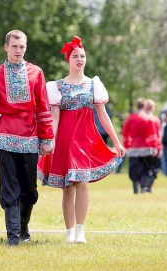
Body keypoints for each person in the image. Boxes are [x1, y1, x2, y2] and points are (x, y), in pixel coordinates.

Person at [37, 36, 124, 244]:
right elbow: (54, 117)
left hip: (85, 139)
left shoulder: (93, 85)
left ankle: (80, 230)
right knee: (68, 187)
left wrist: (117, 141)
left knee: (83, 182)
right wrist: (52, 139)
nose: (79, 59)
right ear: (68, 60)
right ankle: (69, 233)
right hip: (65, 139)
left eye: (82, 56)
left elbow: (103, 116)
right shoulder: (57, 86)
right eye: (75, 56)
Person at [0, 30, 54, 246]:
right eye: (14, 47)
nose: (18, 50)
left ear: (26, 48)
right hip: (5, 135)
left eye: (22, 47)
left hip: (30, 135)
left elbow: (42, 107)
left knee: (29, 187)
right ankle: (13, 236)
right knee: (9, 185)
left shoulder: (36, 73)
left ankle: (23, 228)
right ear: (6, 47)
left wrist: (46, 137)